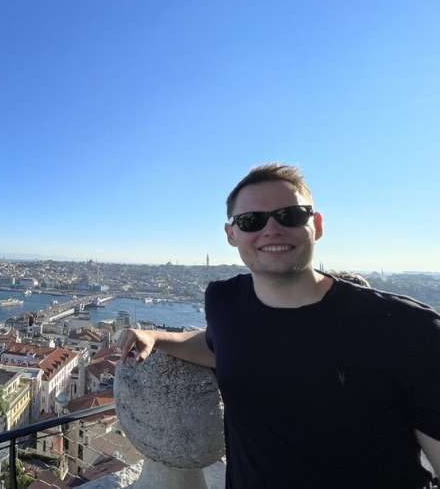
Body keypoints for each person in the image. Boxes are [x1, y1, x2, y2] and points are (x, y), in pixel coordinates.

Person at [119, 163, 440, 489]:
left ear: (316, 224)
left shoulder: (405, 328)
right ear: (232, 234)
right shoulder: (225, 301)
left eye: (290, 215)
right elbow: (218, 346)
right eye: (251, 221)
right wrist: (156, 336)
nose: (271, 229)